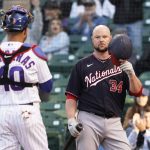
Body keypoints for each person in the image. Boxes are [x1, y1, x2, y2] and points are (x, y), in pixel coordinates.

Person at [65, 25, 143, 150]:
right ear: (92, 39)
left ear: (110, 39)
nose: (101, 40)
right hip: (88, 120)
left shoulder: (122, 64)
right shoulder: (81, 65)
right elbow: (71, 96)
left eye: (104, 36)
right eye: (97, 37)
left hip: (114, 120)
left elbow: (137, 92)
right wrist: (71, 119)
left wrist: (131, 74)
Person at [0, 5, 53, 150]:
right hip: (27, 110)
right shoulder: (34, 51)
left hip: (2, 113)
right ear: (25, 31)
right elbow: (47, 86)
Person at [109, 0, 143, 65]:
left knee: (136, 46)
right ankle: (118, 70)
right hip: (120, 19)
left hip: (135, 19)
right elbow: (113, 2)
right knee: (119, 46)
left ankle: (137, 68)